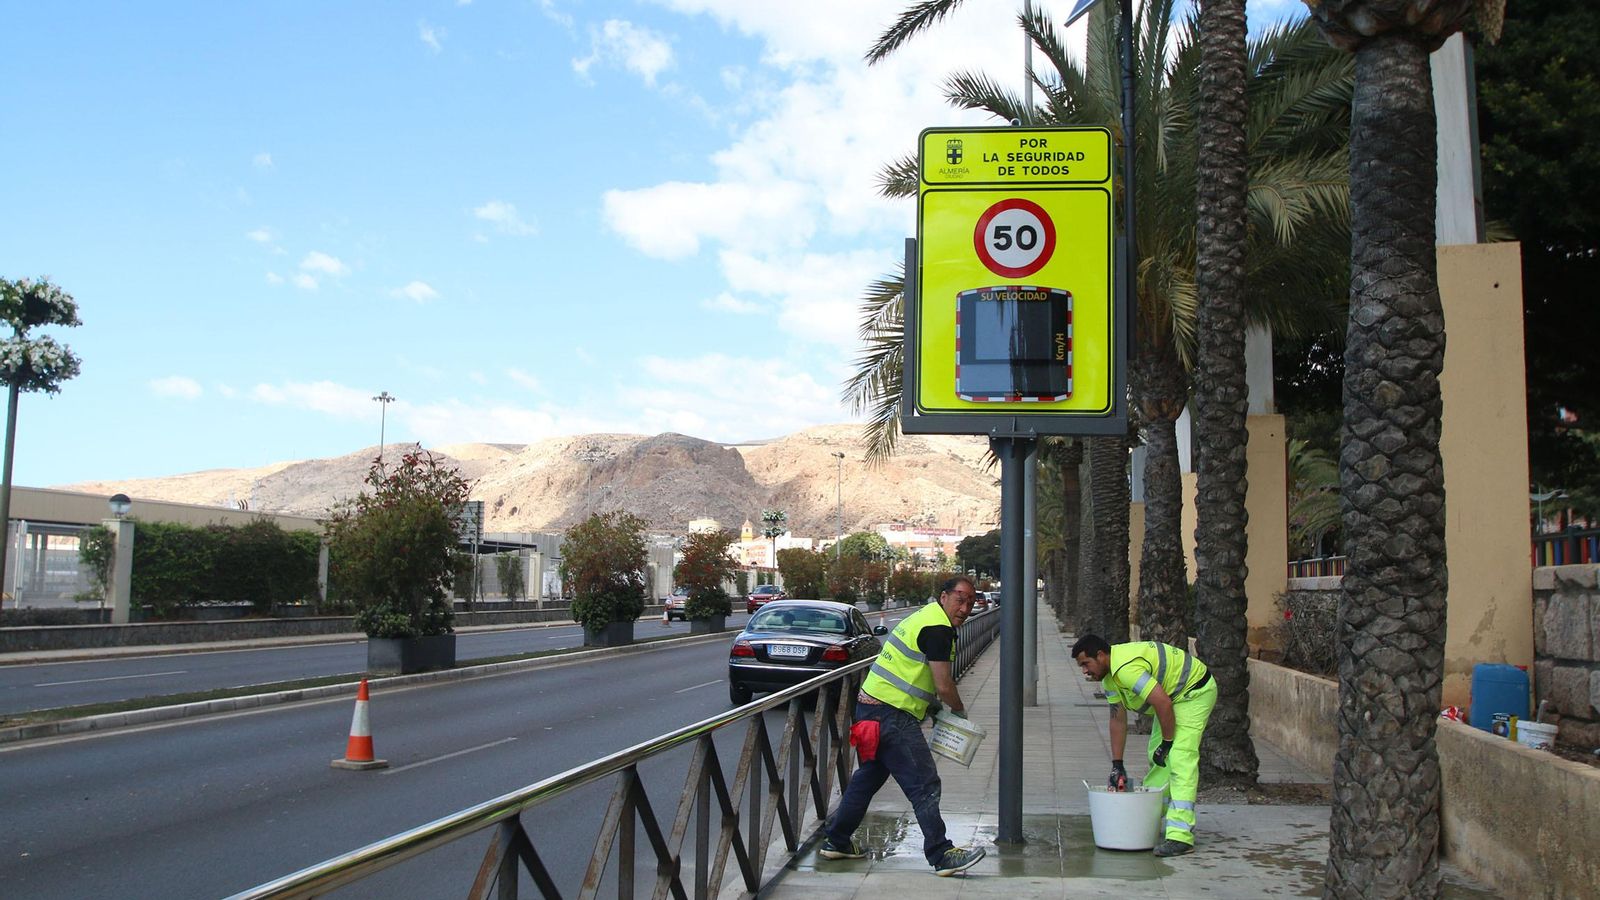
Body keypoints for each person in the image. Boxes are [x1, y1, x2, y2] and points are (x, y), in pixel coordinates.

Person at [820, 576, 987, 877]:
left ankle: (837, 839)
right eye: (960, 599)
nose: (965, 607)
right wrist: (958, 710)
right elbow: (943, 683)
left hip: (870, 709)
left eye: (971, 602)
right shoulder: (938, 629)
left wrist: (932, 708)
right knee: (924, 783)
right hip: (891, 715)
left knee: (868, 778)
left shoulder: (926, 616)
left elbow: (913, 672)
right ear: (944, 596)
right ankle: (941, 853)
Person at [1071, 633, 1217, 858]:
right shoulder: (1110, 679)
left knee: (1179, 757)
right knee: (1159, 760)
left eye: (1086, 664)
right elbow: (1117, 720)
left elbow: (1162, 702)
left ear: (1100, 656)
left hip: (1193, 693)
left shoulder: (1126, 669)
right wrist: (1117, 765)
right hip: (1173, 698)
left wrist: (1168, 743)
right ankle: (1145, 819)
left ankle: (1180, 837)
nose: (1084, 671)